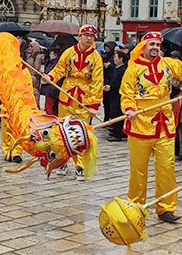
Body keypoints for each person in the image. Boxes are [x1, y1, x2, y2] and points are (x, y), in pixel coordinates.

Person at [120, 32, 182, 223]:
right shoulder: (133, 69)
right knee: (138, 170)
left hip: (165, 124)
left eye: (158, 44)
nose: (155, 48)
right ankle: (135, 206)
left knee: (167, 167)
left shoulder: (168, 64)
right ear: (143, 46)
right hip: (140, 124)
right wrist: (130, 108)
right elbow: (126, 93)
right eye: (151, 44)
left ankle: (165, 207)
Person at [45, 25, 104, 179]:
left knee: (81, 134)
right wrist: (50, 77)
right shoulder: (69, 52)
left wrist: (94, 106)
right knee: (62, 131)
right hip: (67, 97)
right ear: (80, 36)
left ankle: (80, 166)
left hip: (84, 100)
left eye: (92, 36)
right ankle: (62, 162)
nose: (89, 38)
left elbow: (97, 82)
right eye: (86, 35)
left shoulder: (96, 58)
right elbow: (59, 69)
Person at [105, 51, 128, 142]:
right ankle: (115, 130)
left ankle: (118, 133)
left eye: (116, 58)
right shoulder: (116, 68)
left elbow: (121, 83)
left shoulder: (123, 70)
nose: (114, 59)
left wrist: (112, 87)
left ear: (121, 59)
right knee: (113, 112)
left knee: (117, 113)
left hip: (118, 94)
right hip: (112, 94)